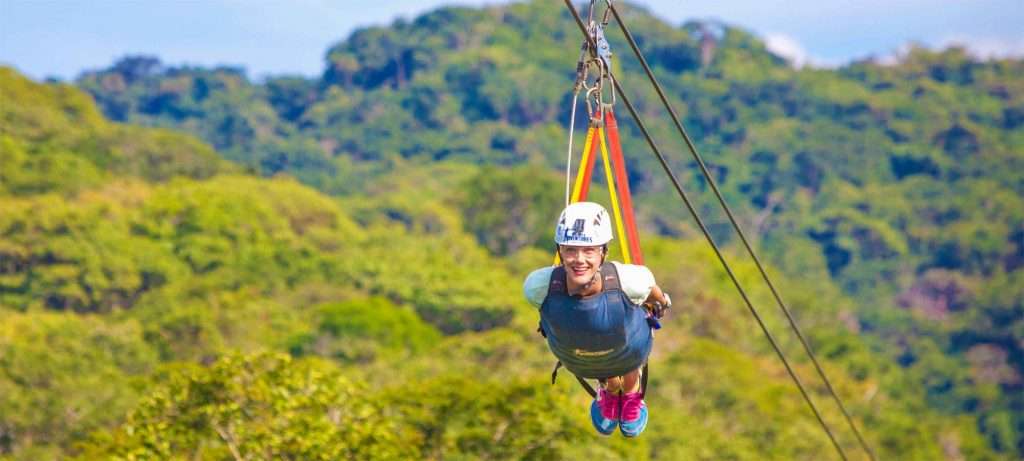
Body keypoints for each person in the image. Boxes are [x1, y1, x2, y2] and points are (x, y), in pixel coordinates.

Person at [523, 202, 671, 437]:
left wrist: (661, 303)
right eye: (570, 250)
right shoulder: (539, 287)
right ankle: (611, 388)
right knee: (597, 336)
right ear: (559, 251)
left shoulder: (628, 280)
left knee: (626, 324)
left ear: (603, 252)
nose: (578, 259)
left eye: (588, 251)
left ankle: (631, 391)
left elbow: (653, 291)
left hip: (627, 350)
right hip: (581, 358)